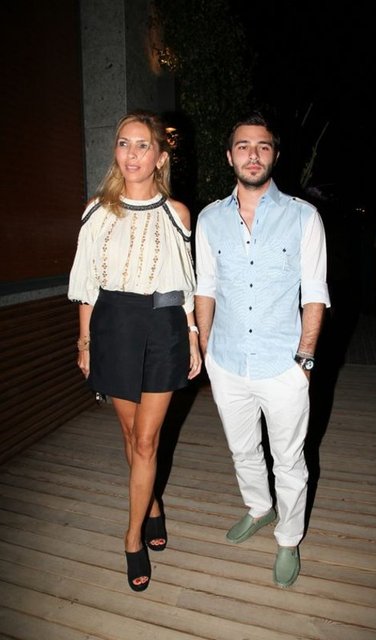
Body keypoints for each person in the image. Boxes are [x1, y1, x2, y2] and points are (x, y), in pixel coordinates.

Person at [68, 109, 202, 592]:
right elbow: (86, 285)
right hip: (114, 328)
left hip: (163, 327)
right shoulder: (96, 211)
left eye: (143, 145)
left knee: (147, 440)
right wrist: (85, 341)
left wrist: (192, 335)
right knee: (130, 434)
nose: (132, 154)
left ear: (160, 157)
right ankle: (154, 504)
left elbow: (185, 284)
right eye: (124, 143)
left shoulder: (177, 213)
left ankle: (131, 538)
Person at [195, 112, 330, 587]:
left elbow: (315, 293)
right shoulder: (209, 219)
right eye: (243, 146)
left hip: (282, 364)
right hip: (227, 360)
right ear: (229, 156)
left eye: (263, 146)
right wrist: (207, 350)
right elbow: (205, 287)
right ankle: (259, 507)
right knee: (242, 449)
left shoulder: (303, 216)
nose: (253, 155)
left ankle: (288, 539)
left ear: (274, 155)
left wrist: (305, 359)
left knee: (289, 460)